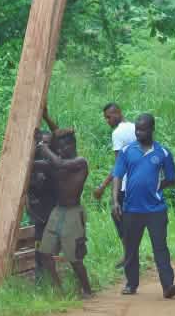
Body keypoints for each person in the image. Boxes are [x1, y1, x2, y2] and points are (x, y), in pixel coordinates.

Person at [112, 113, 175, 298]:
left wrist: (158, 187)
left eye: (142, 130)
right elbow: (117, 175)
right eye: (137, 130)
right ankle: (131, 284)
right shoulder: (127, 151)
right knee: (131, 248)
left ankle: (168, 286)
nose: (139, 133)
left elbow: (172, 178)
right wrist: (115, 201)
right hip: (131, 209)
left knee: (160, 247)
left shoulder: (162, 153)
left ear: (151, 130)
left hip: (156, 210)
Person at [33, 127, 94, 298]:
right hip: (58, 211)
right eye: (57, 148)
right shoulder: (56, 163)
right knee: (45, 253)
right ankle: (58, 289)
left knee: (74, 258)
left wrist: (42, 147)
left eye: (63, 147)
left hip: (73, 213)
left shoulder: (79, 162)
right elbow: (36, 164)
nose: (59, 151)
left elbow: (58, 164)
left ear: (72, 145)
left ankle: (87, 291)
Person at [93, 103, 137, 269]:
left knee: (118, 215)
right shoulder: (135, 127)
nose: (107, 120)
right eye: (105, 117)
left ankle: (128, 255)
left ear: (118, 113)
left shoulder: (117, 133)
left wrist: (102, 187)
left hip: (126, 183)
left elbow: (119, 165)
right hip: (140, 180)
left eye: (109, 116)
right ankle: (130, 255)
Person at [27, 109, 60, 275]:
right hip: (39, 210)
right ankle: (41, 275)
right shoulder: (30, 163)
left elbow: (58, 133)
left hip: (54, 208)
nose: (44, 146)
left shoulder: (55, 160)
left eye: (48, 143)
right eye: (42, 143)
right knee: (39, 244)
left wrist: (47, 116)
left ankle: (55, 275)